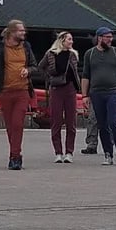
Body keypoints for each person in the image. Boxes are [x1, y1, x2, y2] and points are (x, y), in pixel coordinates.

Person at [0, 19, 37, 170]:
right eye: (21, 30)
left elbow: (35, 65)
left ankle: (15, 156)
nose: (24, 33)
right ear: (12, 32)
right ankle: (15, 154)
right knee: (10, 126)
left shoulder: (26, 47)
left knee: (17, 124)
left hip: (22, 91)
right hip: (5, 92)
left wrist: (28, 70)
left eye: (24, 30)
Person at [82, 26, 116, 165]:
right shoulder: (90, 54)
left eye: (111, 37)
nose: (110, 40)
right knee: (102, 124)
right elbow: (86, 75)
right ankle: (108, 153)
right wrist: (84, 95)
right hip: (96, 93)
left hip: (112, 92)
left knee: (113, 122)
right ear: (99, 38)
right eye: (107, 37)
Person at [43, 32, 81, 163]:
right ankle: (58, 152)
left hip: (70, 88)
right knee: (56, 120)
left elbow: (75, 72)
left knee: (71, 121)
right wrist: (49, 77)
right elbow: (41, 67)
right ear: (62, 40)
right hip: (56, 88)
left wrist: (78, 86)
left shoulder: (73, 54)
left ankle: (69, 152)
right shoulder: (51, 53)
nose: (71, 41)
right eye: (69, 39)